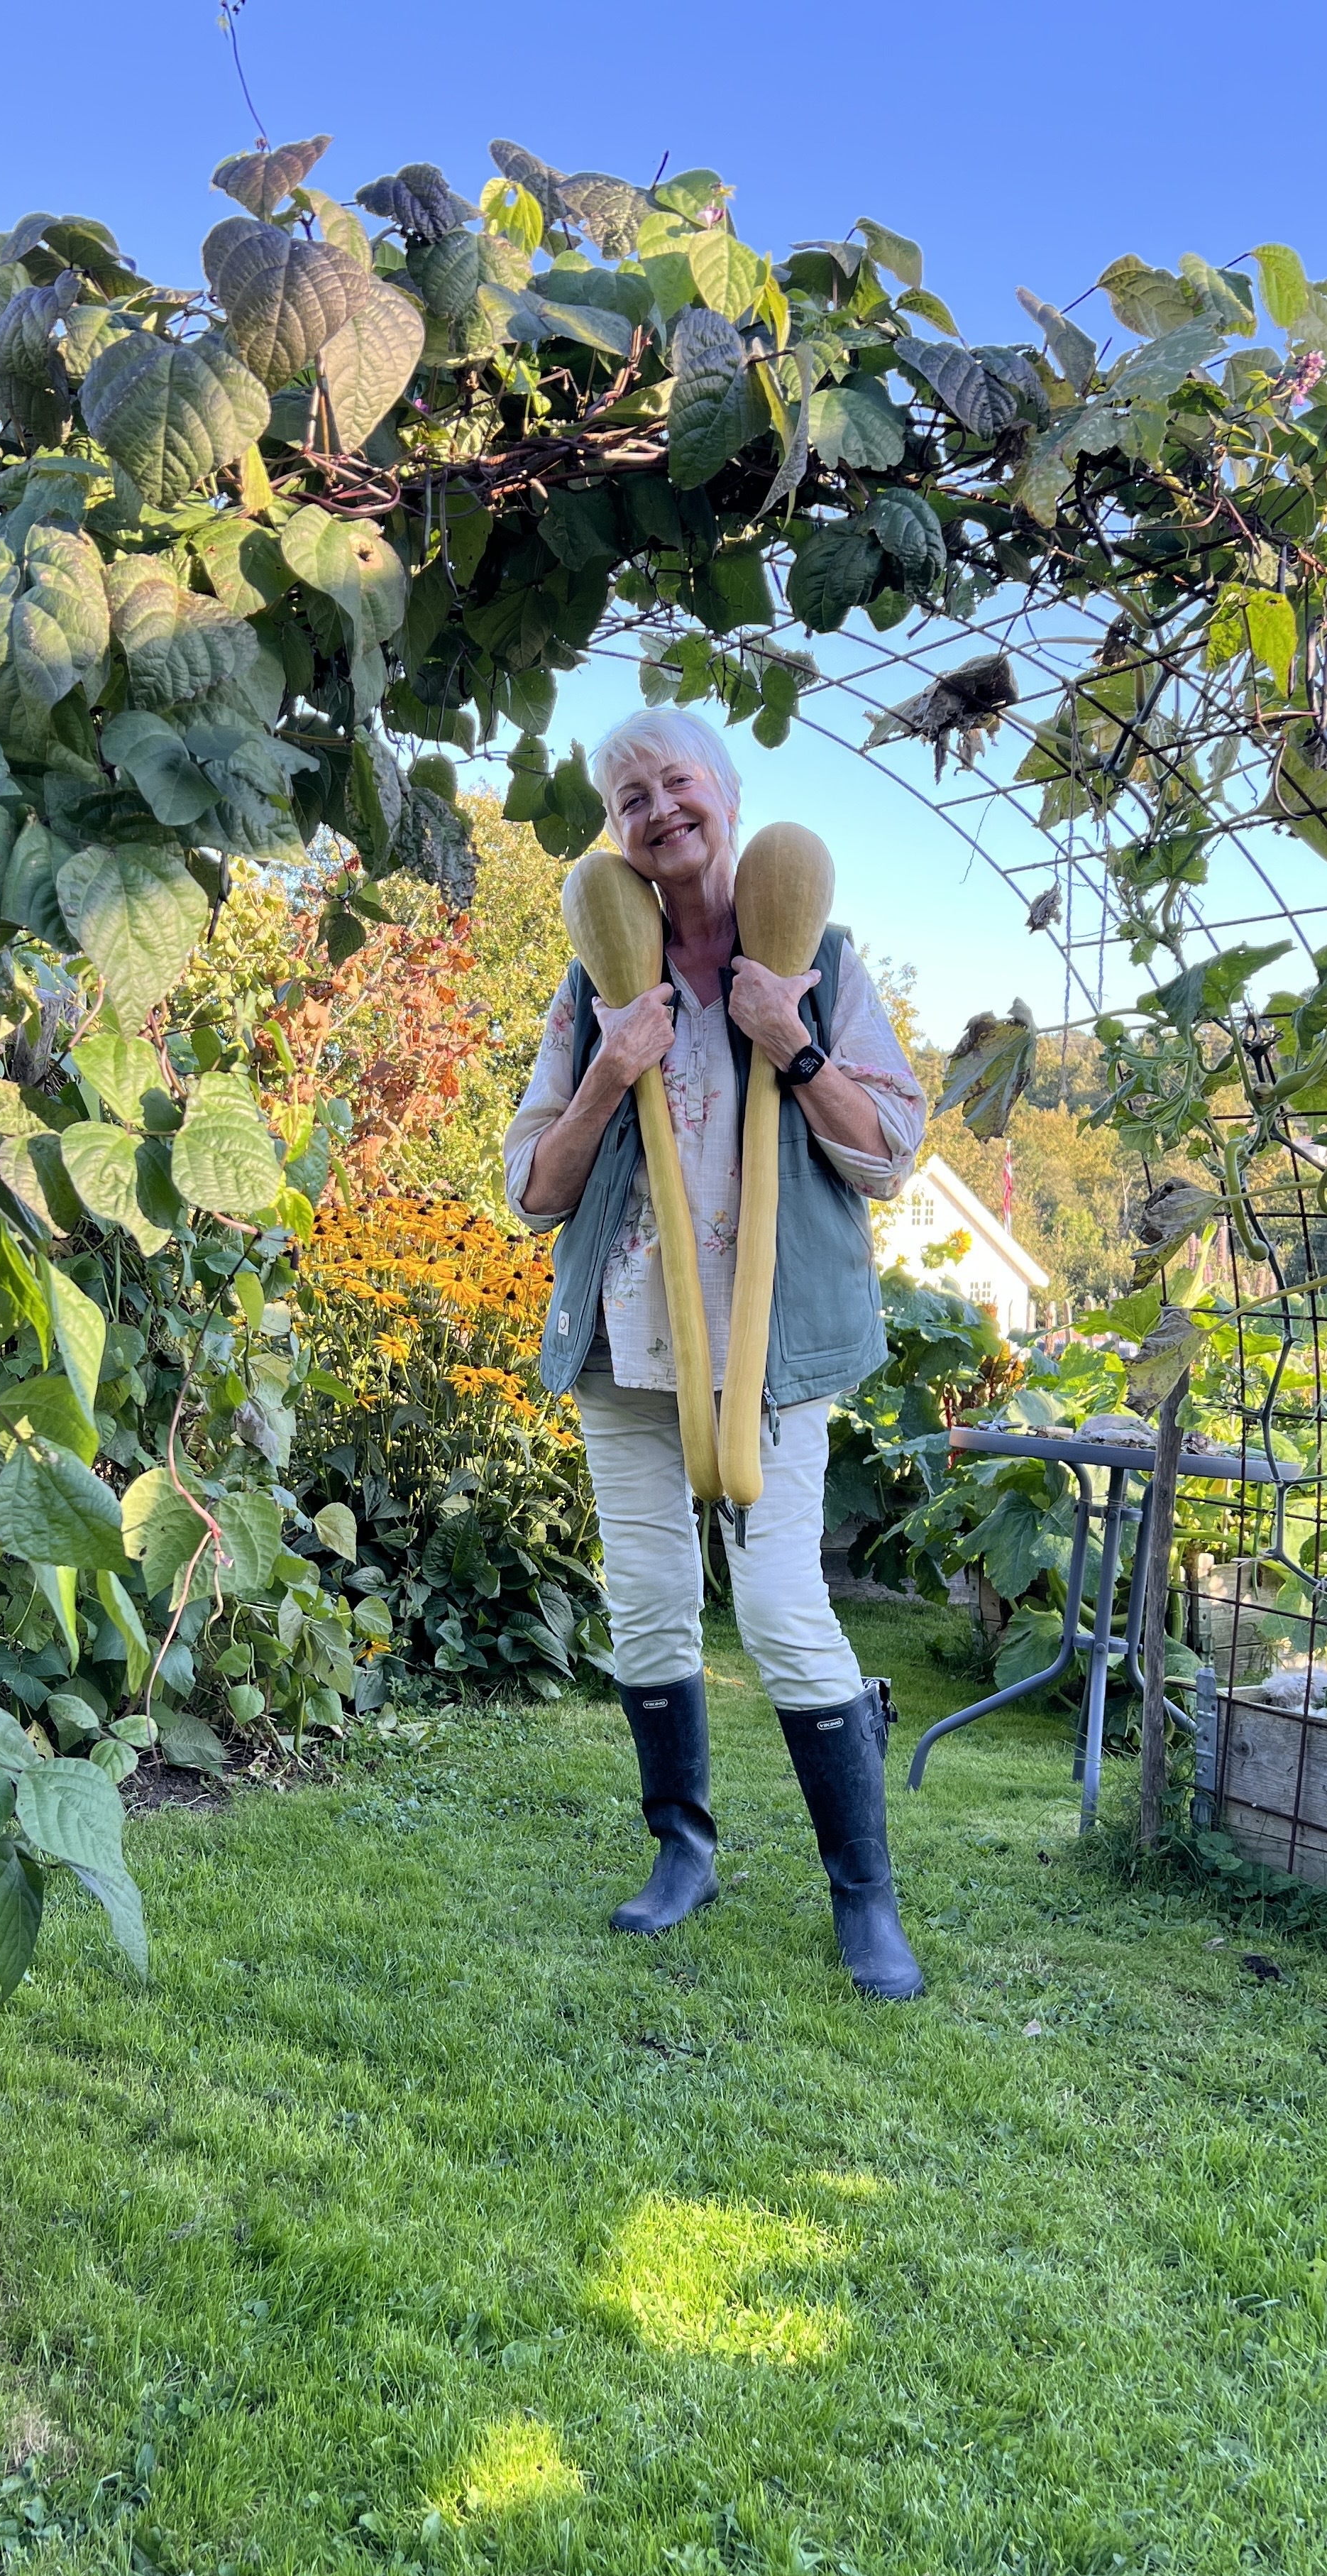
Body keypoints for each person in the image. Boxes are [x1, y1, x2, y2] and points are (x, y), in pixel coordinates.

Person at [503, 708, 928, 1999]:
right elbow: (534, 1191)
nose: (658, 811)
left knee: (785, 1606)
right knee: (647, 1599)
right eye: (629, 798)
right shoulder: (593, 982)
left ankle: (865, 1897)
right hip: (624, 1338)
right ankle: (682, 1851)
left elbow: (890, 1155)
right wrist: (608, 1066)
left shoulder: (822, 959)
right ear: (616, 833)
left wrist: (791, 1039)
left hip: (772, 1348)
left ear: (727, 796)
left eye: (676, 782)